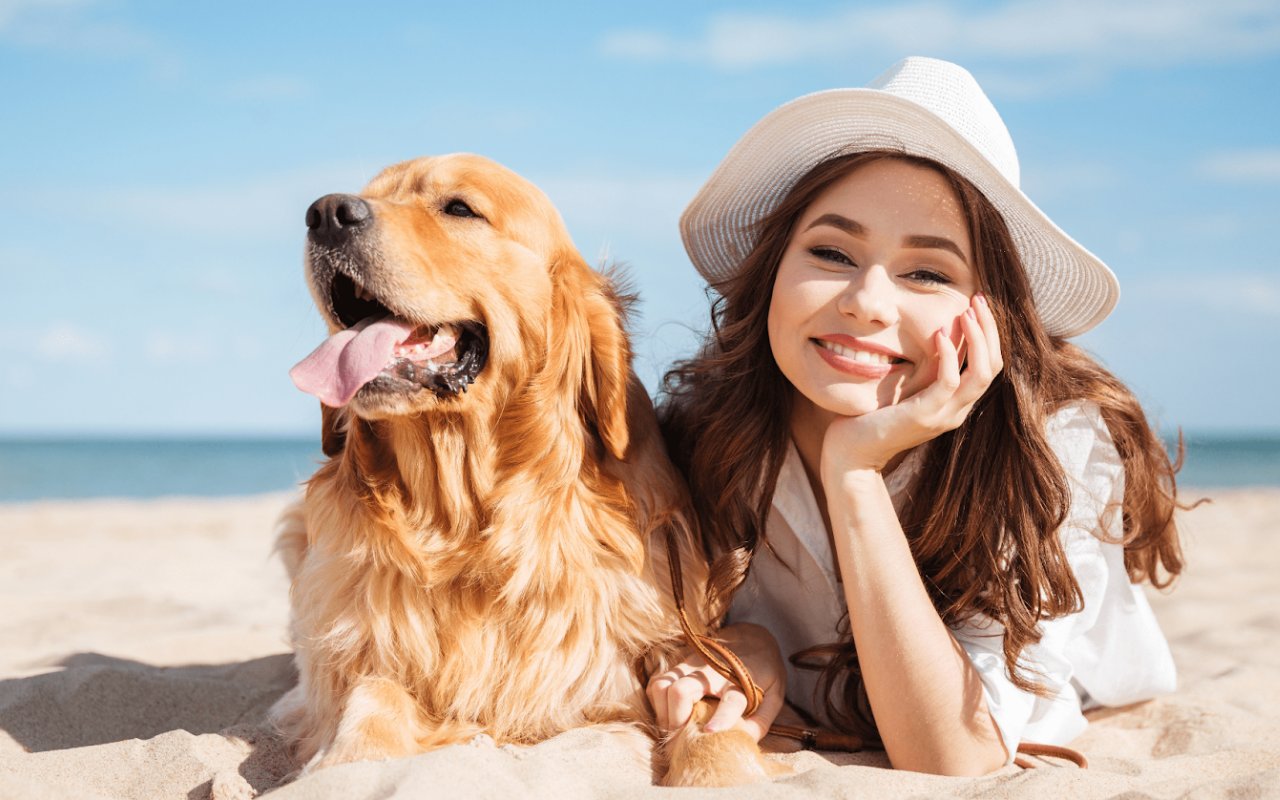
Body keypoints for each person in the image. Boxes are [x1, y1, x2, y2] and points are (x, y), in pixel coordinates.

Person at [647, 57, 1187, 776]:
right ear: (775, 266)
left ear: (988, 312)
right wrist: (748, 645)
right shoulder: (707, 424)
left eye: (926, 272)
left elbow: (952, 757)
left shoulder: (1049, 446)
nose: (867, 302)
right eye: (832, 252)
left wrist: (855, 473)